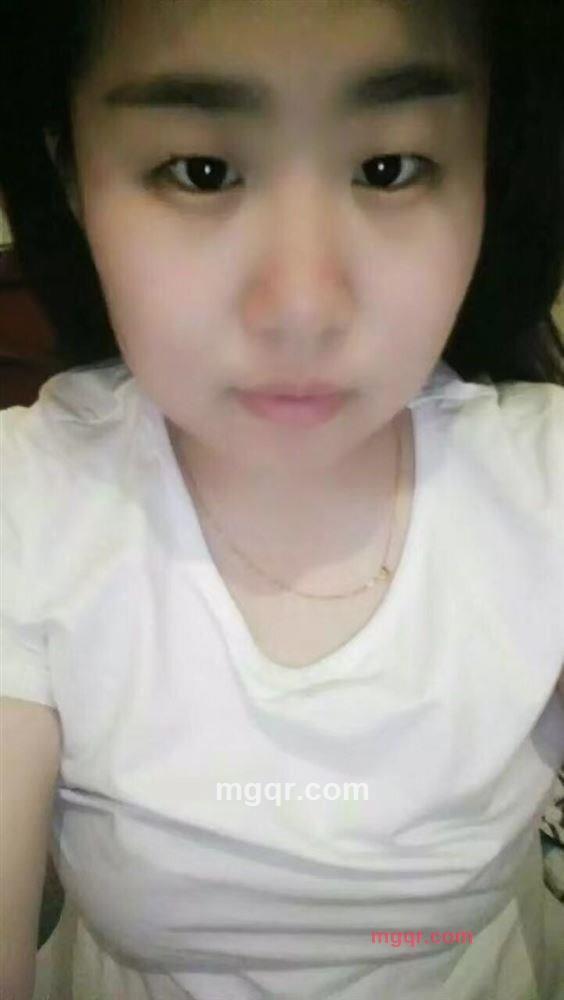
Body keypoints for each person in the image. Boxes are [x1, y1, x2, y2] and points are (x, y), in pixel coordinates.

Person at [1, 1, 563, 997]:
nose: (302, 306)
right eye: (201, 171)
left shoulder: (545, 484)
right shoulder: (31, 503)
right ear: (73, 178)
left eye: (387, 168)